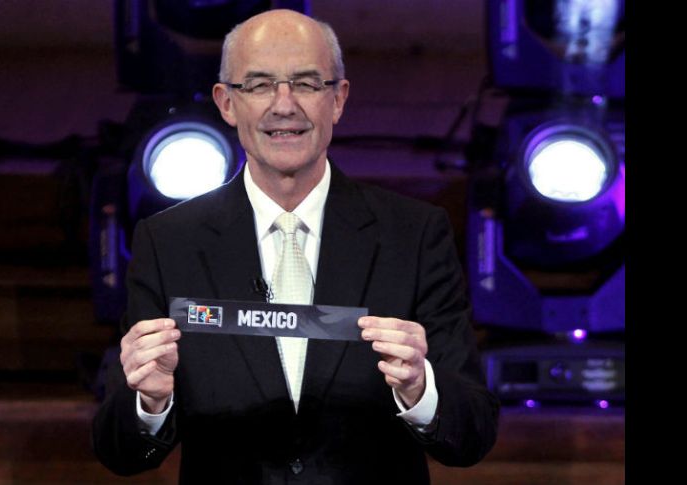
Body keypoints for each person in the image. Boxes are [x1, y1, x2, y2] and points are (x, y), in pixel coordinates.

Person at [92, 9, 499, 485]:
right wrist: (151, 402)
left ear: (338, 99)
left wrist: (420, 389)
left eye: (306, 84)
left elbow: (473, 433)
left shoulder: (414, 235)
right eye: (260, 85)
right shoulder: (168, 243)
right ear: (226, 103)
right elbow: (118, 451)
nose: (284, 106)